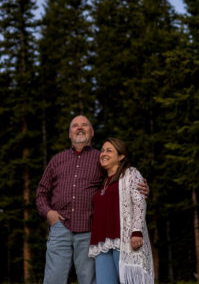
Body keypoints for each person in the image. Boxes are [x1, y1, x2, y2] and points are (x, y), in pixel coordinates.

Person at [36, 117, 149, 284]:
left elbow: (120, 179)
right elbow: (41, 192)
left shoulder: (101, 158)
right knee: (53, 279)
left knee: (89, 280)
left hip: (89, 229)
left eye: (84, 125)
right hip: (59, 227)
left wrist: (142, 187)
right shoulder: (57, 160)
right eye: (75, 125)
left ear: (92, 132)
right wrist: (49, 213)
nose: (79, 128)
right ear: (69, 133)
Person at [88, 138, 153, 284]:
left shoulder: (131, 174)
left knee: (129, 280)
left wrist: (137, 231)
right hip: (101, 244)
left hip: (124, 241)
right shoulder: (102, 182)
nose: (103, 153)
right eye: (102, 150)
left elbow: (139, 203)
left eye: (109, 150)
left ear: (121, 156)